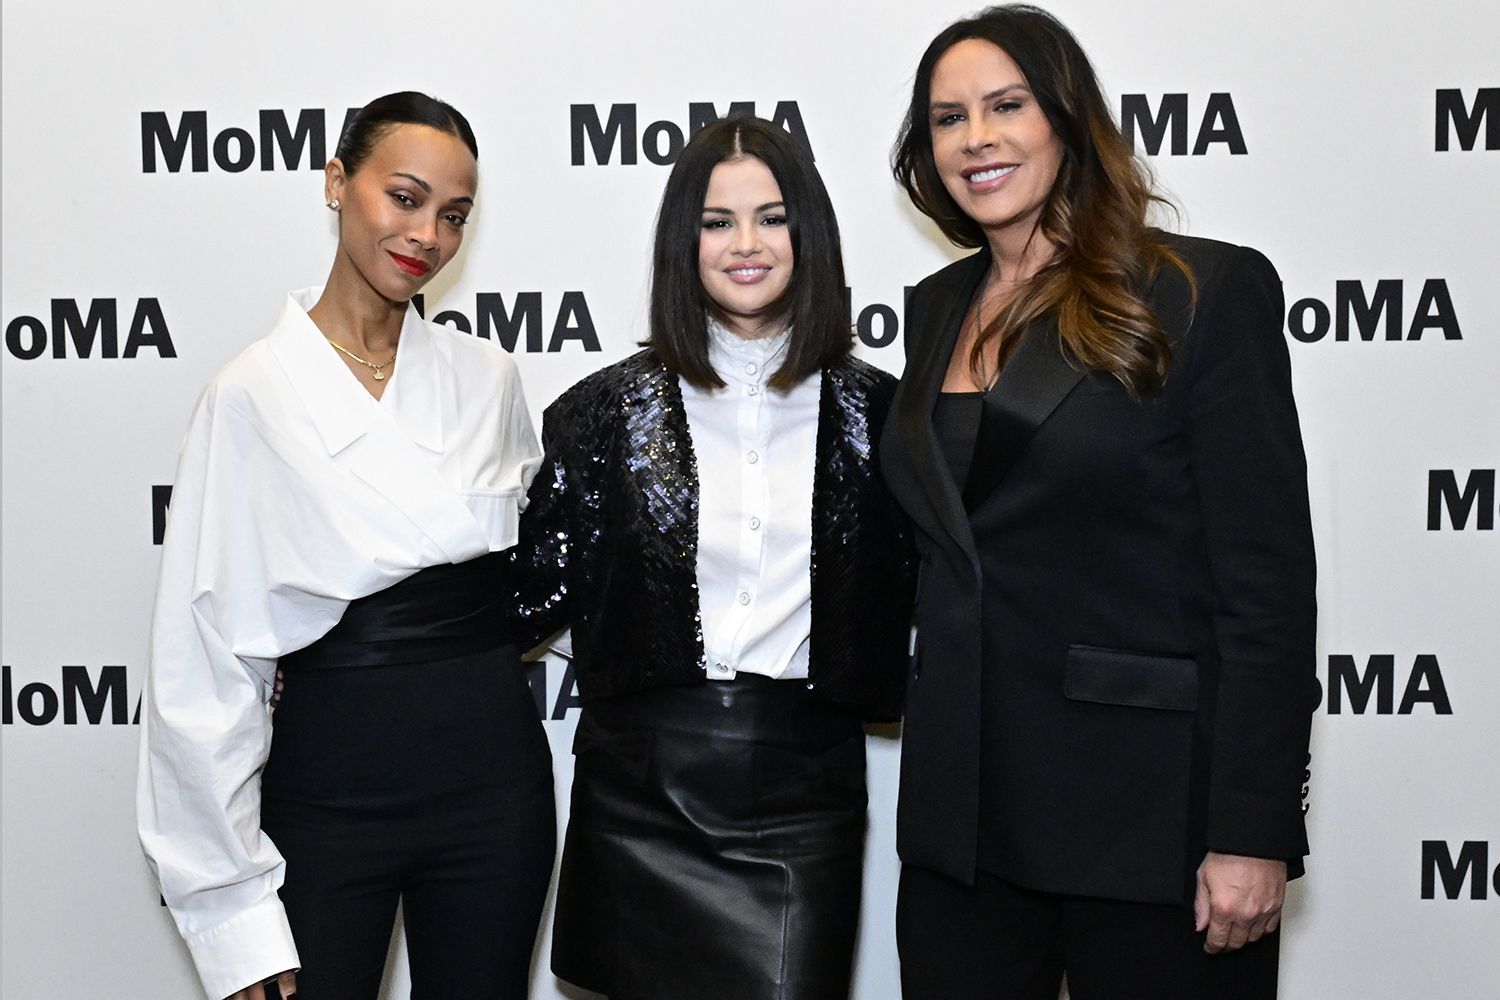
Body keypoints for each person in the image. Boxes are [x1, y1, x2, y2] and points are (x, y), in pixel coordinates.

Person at [881, 7, 1318, 999]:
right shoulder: (934, 309)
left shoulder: (1199, 291)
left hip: (1149, 823)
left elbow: (1265, 586)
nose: (976, 137)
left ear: (1068, 119)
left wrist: (1251, 828)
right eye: (948, 118)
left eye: (1006, 105)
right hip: (962, 830)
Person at [137, 92, 554, 1000]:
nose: (427, 235)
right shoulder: (249, 396)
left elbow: (534, 573)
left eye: (453, 215)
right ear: (336, 182)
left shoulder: (489, 378)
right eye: (403, 197)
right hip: (326, 792)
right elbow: (205, 659)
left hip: (496, 787)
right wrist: (229, 911)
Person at [509, 115, 914, 1000]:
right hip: (636, 792)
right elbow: (519, 598)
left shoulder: (886, 415)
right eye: (716, 221)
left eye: (772, 218)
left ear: (809, 235)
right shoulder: (601, 414)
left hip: (804, 793)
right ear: (680, 241)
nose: (746, 244)